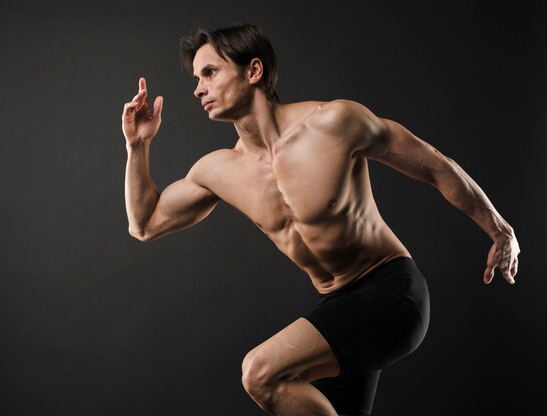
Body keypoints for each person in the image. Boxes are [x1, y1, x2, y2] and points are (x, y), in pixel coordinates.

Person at [121, 23, 520, 416]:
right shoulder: (218, 170)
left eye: (209, 72)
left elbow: (435, 166)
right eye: (196, 78)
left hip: (392, 290)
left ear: (253, 71)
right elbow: (145, 223)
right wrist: (138, 146)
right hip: (339, 307)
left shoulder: (334, 124)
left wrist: (500, 230)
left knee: (260, 374)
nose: (198, 88)